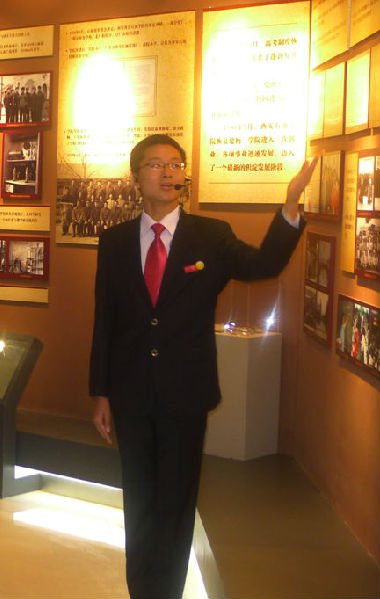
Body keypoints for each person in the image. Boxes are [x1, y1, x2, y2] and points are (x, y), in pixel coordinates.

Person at [89, 134, 315, 599]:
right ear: (136, 177)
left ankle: (166, 592)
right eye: (157, 164)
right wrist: (101, 392)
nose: (169, 173)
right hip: (131, 395)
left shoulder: (210, 235)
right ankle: (141, 591)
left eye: (176, 164)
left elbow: (263, 264)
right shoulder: (114, 241)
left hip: (185, 394)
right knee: (139, 500)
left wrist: (290, 207)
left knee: (175, 502)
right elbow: (105, 319)